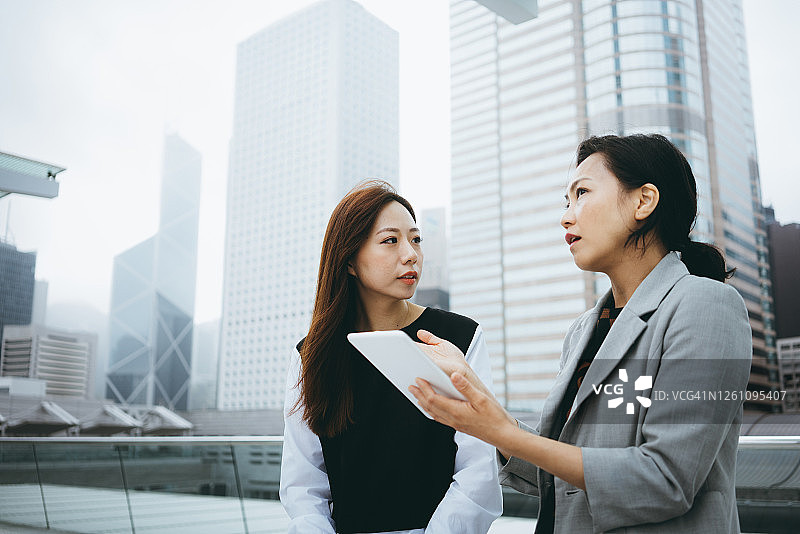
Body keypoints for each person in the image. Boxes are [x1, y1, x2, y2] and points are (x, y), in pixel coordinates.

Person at [410, 134, 752, 533]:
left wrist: (504, 433)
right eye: (566, 202)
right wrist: (477, 399)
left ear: (644, 201)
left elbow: (666, 480)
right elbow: (562, 475)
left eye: (582, 193)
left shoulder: (705, 305)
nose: (566, 217)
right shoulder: (583, 330)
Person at [279, 180, 502, 534]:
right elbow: (303, 485)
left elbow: (479, 474)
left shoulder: (459, 338)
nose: (411, 253)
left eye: (416, 239)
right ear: (350, 260)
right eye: (390, 240)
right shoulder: (311, 355)